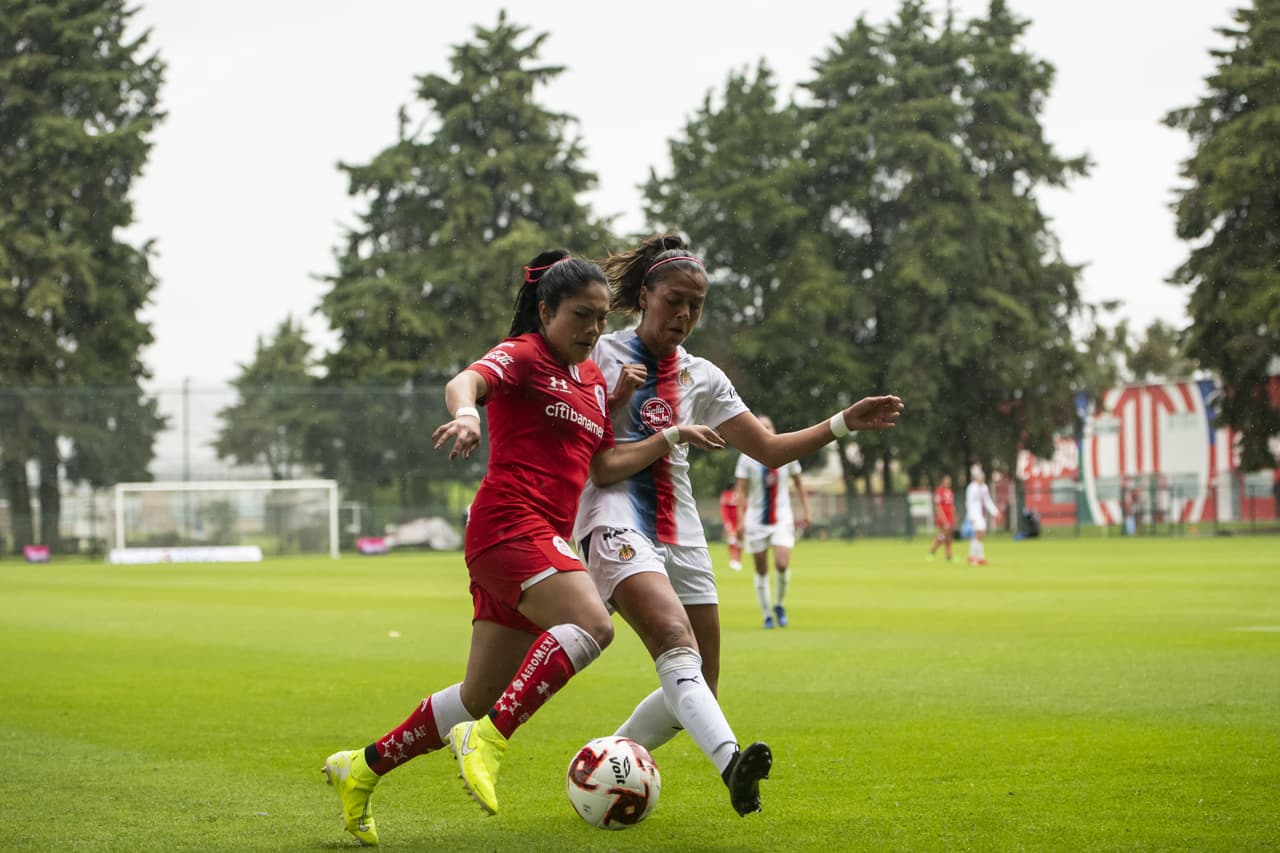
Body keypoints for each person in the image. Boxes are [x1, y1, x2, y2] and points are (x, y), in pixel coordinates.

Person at [320, 250, 723, 845]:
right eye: (579, 316)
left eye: (599, 318)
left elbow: (604, 464)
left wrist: (663, 433)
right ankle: (489, 739)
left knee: (477, 694)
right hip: (510, 524)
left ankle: (361, 767)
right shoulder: (526, 354)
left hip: (539, 538)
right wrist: (467, 416)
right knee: (593, 624)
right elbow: (467, 381)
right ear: (545, 311)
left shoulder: (591, 380)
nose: (591, 329)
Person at [573, 234, 904, 817]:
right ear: (645, 293)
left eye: (696, 306)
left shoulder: (703, 375)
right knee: (676, 648)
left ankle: (602, 762)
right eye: (675, 300)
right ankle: (732, 767)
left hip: (683, 531)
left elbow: (771, 449)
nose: (684, 315)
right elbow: (589, 455)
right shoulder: (597, 355)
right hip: (614, 518)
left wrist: (843, 423)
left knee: (701, 687)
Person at [732, 415, 812, 628]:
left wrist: (806, 510)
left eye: (768, 426)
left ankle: (779, 604)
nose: (765, 429)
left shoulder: (787, 451)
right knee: (761, 569)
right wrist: (739, 521)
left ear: (774, 429)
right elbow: (739, 492)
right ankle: (767, 614)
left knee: (781, 563)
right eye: (761, 426)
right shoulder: (746, 457)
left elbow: (799, 483)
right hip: (755, 521)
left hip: (782, 518)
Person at [964, 465, 1001, 565]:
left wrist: (995, 512)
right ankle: (975, 557)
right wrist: (971, 516)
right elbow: (969, 502)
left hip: (980, 515)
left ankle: (977, 557)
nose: (982, 479)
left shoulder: (984, 487)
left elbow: (987, 501)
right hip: (974, 515)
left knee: (980, 535)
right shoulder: (972, 487)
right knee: (979, 534)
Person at [928, 473, 955, 562]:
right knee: (945, 536)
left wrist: (954, 516)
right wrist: (944, 519)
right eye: (946, 481)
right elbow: (938, 507)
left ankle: (945, 555)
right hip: (943, 518)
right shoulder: (939, 491)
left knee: (946, 536)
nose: (948, 483)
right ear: (943, 482)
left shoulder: (950, 492)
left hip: (950, 517)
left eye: (949, 481)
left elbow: (951, 505)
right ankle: (935, 551)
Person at [719, 484, 743, 571]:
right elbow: (724, 509)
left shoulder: (741, 494)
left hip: (739, 521)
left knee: (740, 541)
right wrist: (726, 521)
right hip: (731, 522)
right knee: (732, 540)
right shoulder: (726, 494)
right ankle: (732, 560)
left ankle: (739, 560)